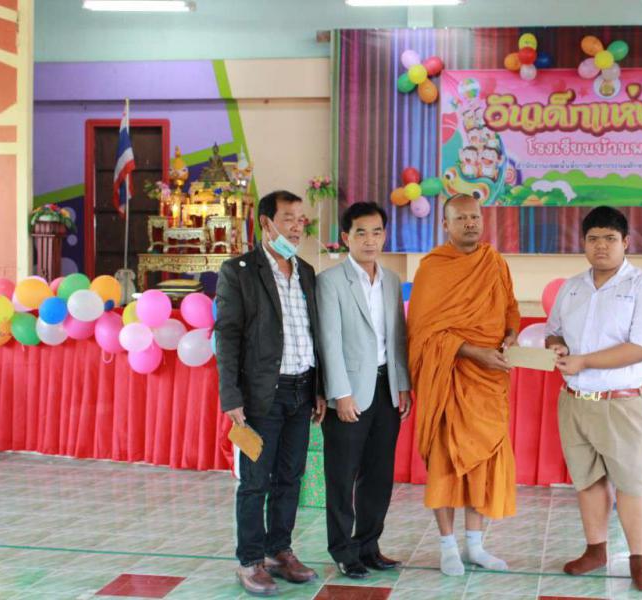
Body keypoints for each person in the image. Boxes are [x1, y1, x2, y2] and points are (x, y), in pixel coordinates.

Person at [545, 206, 642, 593]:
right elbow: (553, 331)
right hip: (575, 401)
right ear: (583, 243)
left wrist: (584, 361)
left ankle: (639, 561)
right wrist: (557, 346)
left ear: (626, 242)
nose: (601, 246)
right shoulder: (572, 287)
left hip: (623, 403)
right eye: (593, 238)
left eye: (610, 239)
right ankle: (595, 550)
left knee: (632, 484)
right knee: (588, 480)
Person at [215, 190, 326, 596]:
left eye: (300, 219)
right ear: (266, 223)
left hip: (302, 390)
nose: (297, 227)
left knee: (290, 477)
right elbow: (227, 336)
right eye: (288, 218)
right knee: (255, 481)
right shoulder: (239, 271)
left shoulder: (306, 271)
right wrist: (231, 397)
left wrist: (319, 388)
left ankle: (280, 550)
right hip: (262, 395)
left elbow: (315, 334)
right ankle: (250, 560)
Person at [407, 193, 520, 577]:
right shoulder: (432, 269)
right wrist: (471, 351)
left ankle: (475, 545)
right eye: (461, 218)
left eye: (475, 217)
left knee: (482, 461)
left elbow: (510, 308)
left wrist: (511, 335)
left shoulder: (494, 261)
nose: (470, 223)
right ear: (445, 224)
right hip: (448, 378)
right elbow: (422, 334)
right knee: (445, 461)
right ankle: (447, 547)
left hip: (488, 382)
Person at [316, 202, 412, 580]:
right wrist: (340, 394)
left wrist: (402, 385)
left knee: (378, 475)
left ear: (384, 236)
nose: (370, 240)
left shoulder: (391, 280)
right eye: (361, 232)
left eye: (376, 232)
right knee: (342, 477)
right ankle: (343, 550)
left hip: (386, 389)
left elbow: (397, 337)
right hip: (350, 393)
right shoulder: (330, 281)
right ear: (346, 237)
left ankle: (369, 546)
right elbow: (329, 341)